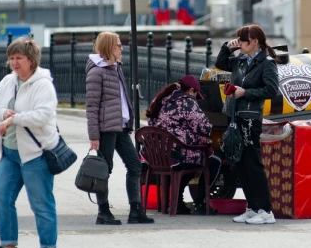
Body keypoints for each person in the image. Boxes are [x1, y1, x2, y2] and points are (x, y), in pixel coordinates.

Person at [0, 37, 59, 248]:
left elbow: (42, 115)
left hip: (36, 154)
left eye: (19, 58)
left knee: (41, 203)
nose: (14, 62)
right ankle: (8, 246)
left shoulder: (43, 84)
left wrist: (13, 119)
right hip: (10, 153)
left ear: (31, 60)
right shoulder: (8, 81)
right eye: (12, 58)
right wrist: (4, 113)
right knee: (1, 196)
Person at [85, 31, 154, 225]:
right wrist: (94, 135)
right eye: (117, 45)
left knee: (135, 165)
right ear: (108, 47)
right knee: (104, 170)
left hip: (121, 127)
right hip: (106, 128)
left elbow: (122, 100)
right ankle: (103, 212)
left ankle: (135, 210)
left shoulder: (115, 67)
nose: (121, 48)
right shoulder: (97, 71)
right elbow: (92, 106)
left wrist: (129, 121)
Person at [215, 24, 279, 225]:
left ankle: (266, 210)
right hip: (235, 115)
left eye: (243, 40)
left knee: (253, 162)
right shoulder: (239, 60)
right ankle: (252, 207)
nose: (240, 43)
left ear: (254, 42)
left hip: (251, 117)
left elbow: (271, 90)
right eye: (239, 39)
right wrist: (227, 47)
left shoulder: (266, 63)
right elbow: (220, 63)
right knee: (239, 162)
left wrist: (246, 93)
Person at [145, 75, 217, 215]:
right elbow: (204, 127)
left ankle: (176, 201)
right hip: (176, 155)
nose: (196, 98)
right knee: (215, 160)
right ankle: (201, 203)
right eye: (196, 94)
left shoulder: (161, 99)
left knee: (186, 161)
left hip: (157, 155)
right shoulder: (187, 102)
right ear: (191, 91)